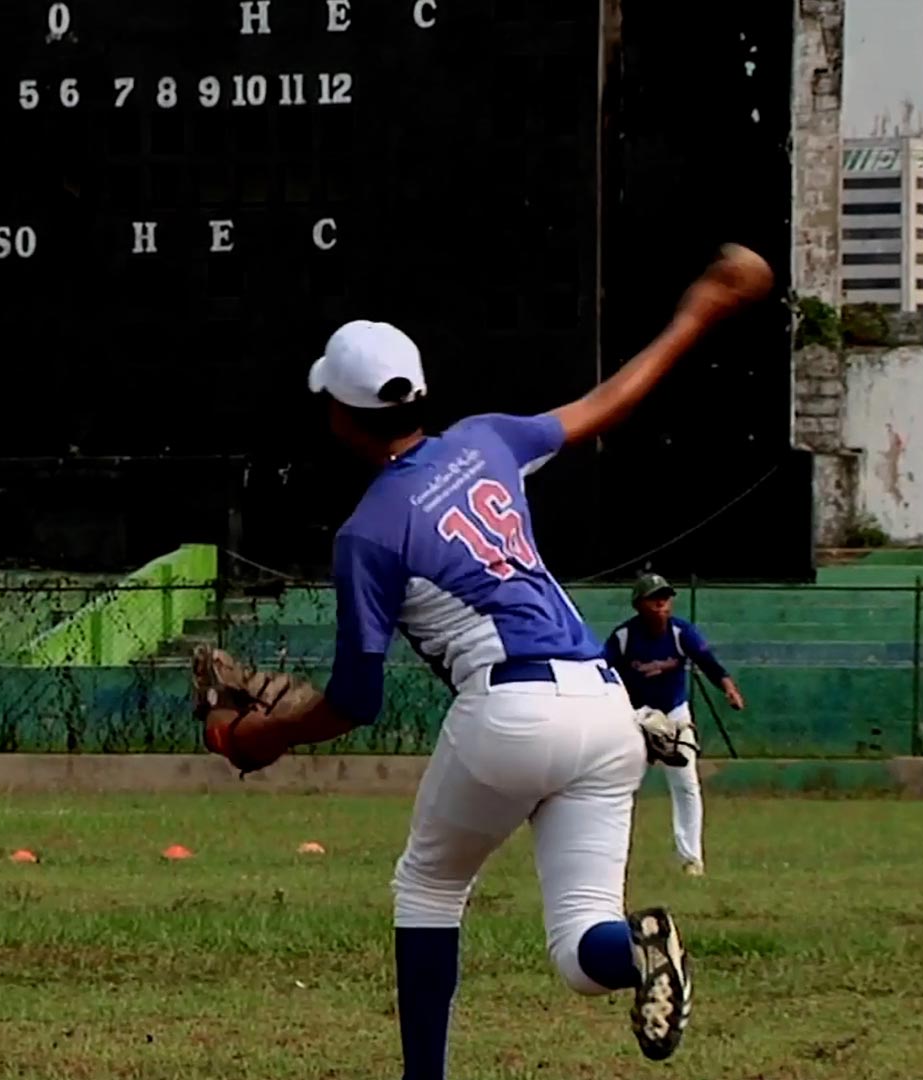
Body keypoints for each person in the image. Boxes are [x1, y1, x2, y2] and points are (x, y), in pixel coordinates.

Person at [201, 245, 772, 1076]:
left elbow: (356, 700)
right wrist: (698, 312)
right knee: (583, 949)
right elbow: (607, 401)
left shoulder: (369, 533)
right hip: (607, 708)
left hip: (511, 709)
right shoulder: (487, 441)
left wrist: (254, 740)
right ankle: (643, 949)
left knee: (429, 889)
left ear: (342, 416)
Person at [605, 573, 745, 877]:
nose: (662, 604)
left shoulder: (681, 632)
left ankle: (691, 858)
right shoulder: (624, 637)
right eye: (655, 598)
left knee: (686, 783)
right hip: (637, 717)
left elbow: (708, 661)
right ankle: (612, 857)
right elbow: (604, 671)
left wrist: (729, 688)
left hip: (674, 715)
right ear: (639, 604)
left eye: (666, 597)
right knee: (623, 785)